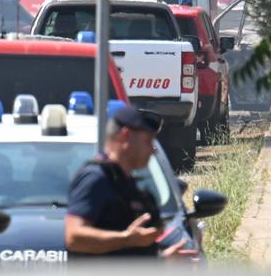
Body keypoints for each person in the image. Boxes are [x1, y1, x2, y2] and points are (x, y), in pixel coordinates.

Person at [64, 106, 195, 259]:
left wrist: (162, 262)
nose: (153, 150)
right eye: (148, 141)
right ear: (125, 136)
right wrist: (126, 238)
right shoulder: (96, 178)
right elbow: (73, 237)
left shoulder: (126, 184)